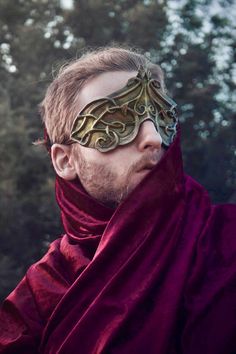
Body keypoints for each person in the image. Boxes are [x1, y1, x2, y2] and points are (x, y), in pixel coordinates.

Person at [0, 47, 235, 354]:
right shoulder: (43, 288)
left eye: (161, 116)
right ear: (65, 160)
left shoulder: (226, 240)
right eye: (117, 118)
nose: (153, 138)